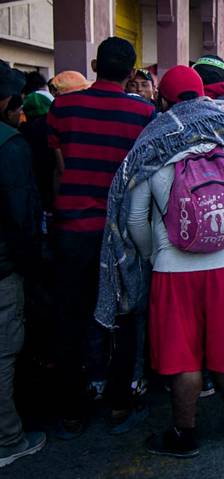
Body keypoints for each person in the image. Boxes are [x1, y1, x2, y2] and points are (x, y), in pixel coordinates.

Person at [96, 65, 224, 458]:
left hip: (172, 271)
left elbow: (133, 218)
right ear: (203, 94)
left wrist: (152, 256)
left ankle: (184, 435)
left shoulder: (153, 145)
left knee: (183, 356)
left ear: (162, 99)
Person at [46, 37, 156, 438]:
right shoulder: (143, 113)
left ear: (94, 64)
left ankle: (72, 409)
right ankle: (119, 402)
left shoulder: (62, 107)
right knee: (123, 316)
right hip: (120, 232)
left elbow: (58, 168)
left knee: (70, 318)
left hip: (72, 228)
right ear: (131, 72)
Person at [0, 60, 46, 469]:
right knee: (3, 353)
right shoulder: (9, 145)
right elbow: (20, 214)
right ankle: (8, 438)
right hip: (3, 267)